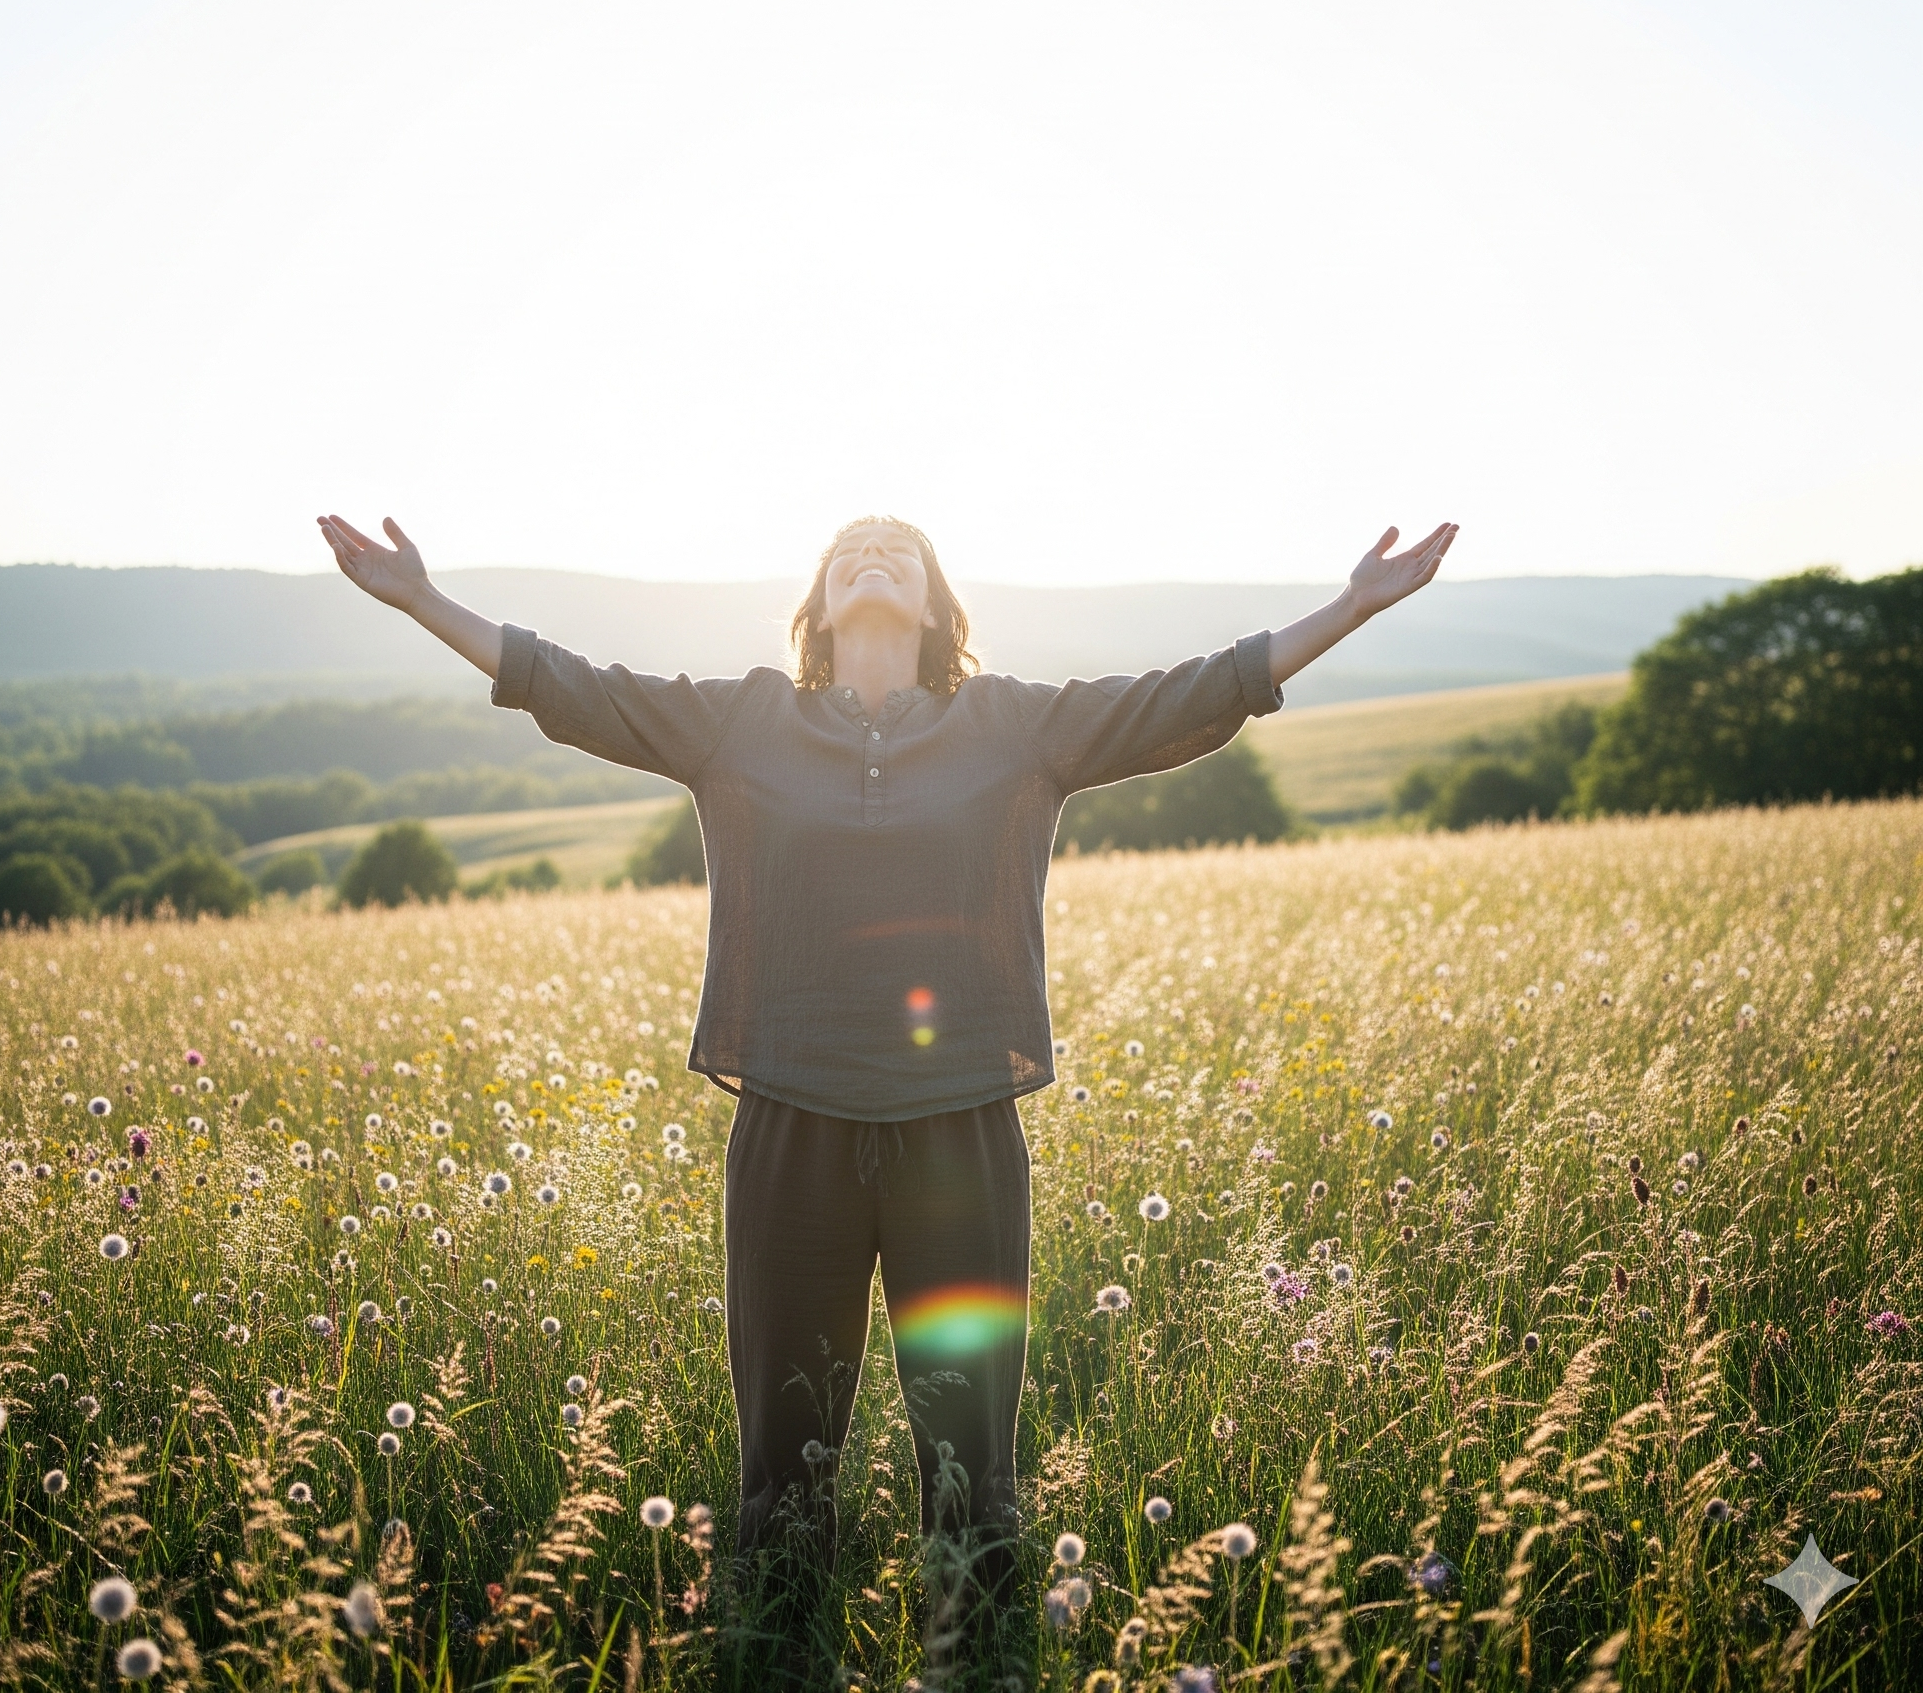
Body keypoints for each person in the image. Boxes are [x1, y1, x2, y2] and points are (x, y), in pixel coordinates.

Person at [316, 509, 1456, 1607]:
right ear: (818, 600)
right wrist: (423, 600)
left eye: (898, 549)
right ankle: (777, 1634)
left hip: (958, 1125)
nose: (873, 555)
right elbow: (570, 687)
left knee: (969, 1462)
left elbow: (1193, 694)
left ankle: (974, 1638)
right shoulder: (740, 722)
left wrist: (1348, 606)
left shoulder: (1012, 724)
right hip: (788, 1121)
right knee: (780, 1462)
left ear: (932, 602)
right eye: (850, 549)